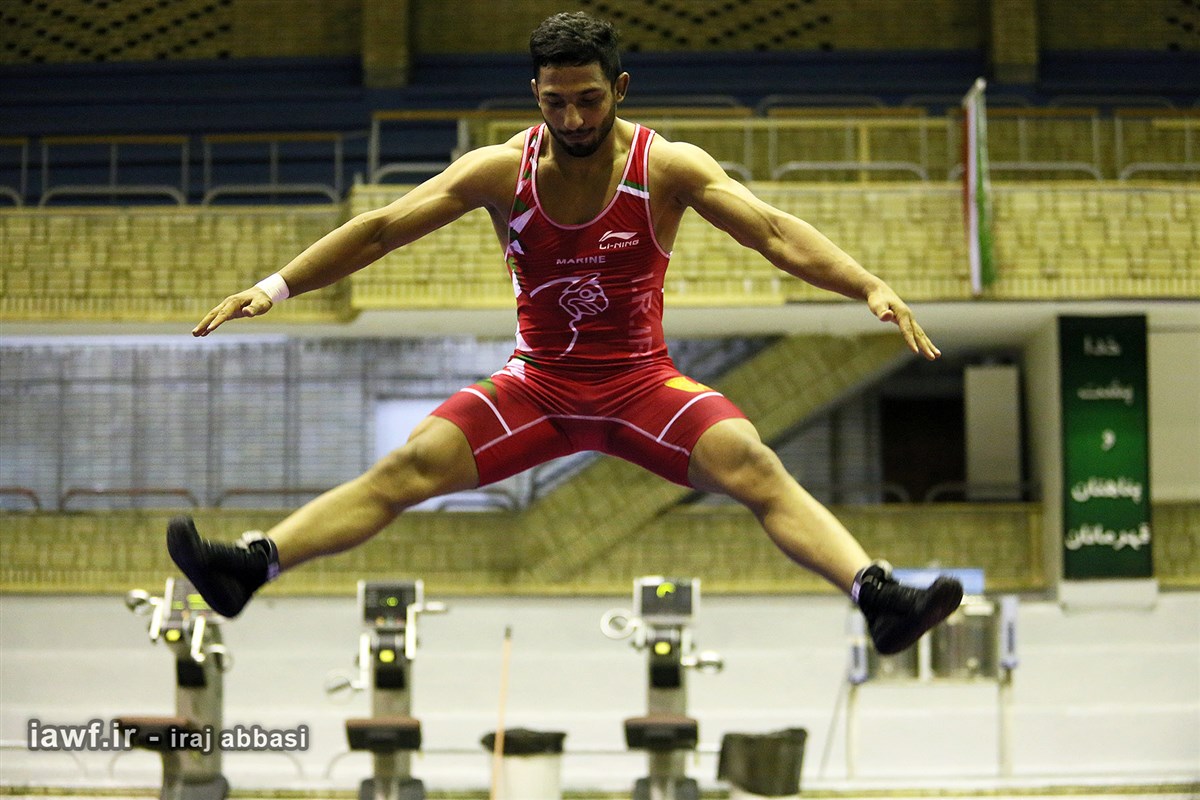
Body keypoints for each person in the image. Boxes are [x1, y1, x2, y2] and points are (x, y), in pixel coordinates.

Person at [169, 11, 962, 655]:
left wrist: (867, 284)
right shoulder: (500, 171)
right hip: (537, 385)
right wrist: (274, 286)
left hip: (641, 384)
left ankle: (878, 597)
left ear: (619, 88)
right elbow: (380, 229)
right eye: (555, 102)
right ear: (535, 94)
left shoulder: (666, 167)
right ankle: (250, 567)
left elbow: (774, 232)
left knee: (753, 464)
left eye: (588, 99)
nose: (573, 119)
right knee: (409, 465)